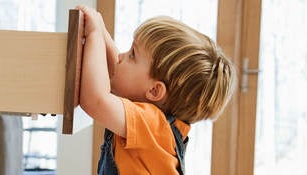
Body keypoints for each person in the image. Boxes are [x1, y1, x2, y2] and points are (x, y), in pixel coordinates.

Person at [76, 6, 237, 175]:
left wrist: (94, 34)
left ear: (154, 91)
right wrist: (101, 30)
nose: (121, 57)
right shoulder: (153, 123)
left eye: (132, 55)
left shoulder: (152, 124)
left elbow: (95, 101)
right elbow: (117, 68)